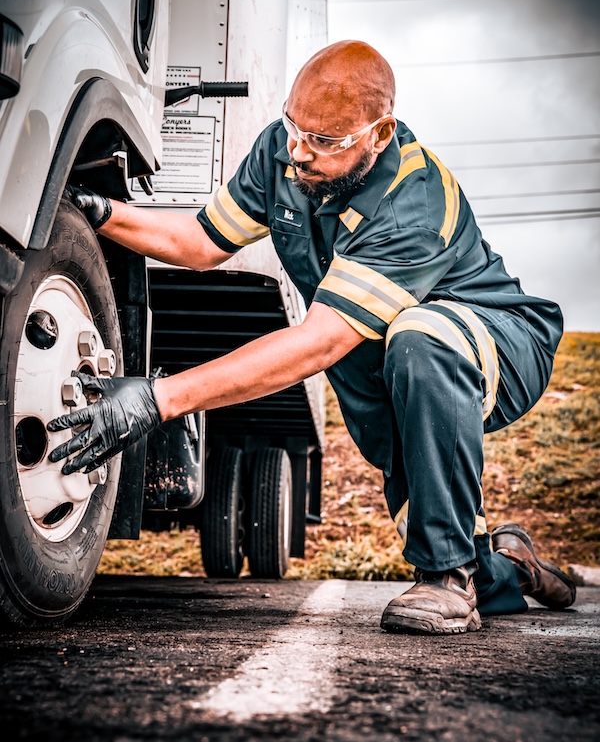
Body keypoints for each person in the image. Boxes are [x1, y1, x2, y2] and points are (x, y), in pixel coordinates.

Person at [48, 40, 576, 635]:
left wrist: (157, 398)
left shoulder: (413, 202)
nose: (298, 153)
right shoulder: (285, 150)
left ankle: (447, 581)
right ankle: (506, 564)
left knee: (420, 337)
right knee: (405, 418)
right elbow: (199, 243)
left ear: (379, 135)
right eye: (294, 127)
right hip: (390, 349)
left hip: (499, 339)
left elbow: (317, 343)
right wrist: (100, 211)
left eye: (324, 141)